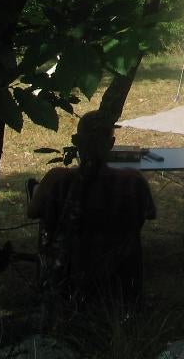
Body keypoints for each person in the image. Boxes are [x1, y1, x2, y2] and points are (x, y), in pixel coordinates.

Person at [28, 110, 156, 310]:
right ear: (111, 144)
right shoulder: (133, 182)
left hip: (67, 284)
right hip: (120, 286)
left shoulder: (56, 180)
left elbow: (32, 211)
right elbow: (150, 213)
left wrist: (38, 190)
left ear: (76, 142)